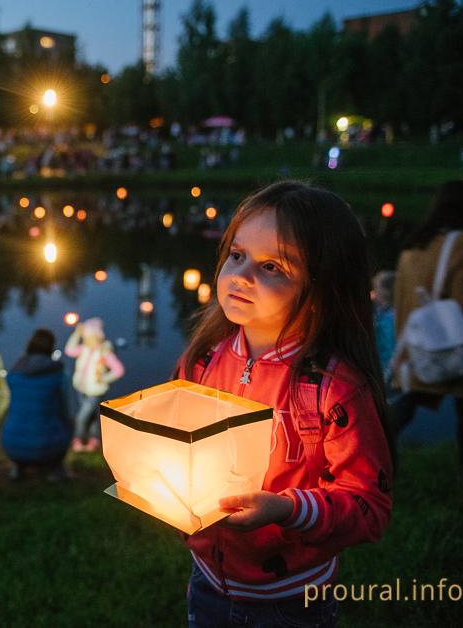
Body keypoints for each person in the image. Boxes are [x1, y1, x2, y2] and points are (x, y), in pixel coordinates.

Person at [175, 181, 393, 627]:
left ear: (321, 289)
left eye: (272, 265)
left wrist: (287, 509)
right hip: (207, 582)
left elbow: (369, 506)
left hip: (292, 598)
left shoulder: (332, 389)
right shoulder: (202, 361)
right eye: (236, 255)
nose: (240, 275)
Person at [391, 180, 463, 477]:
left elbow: (402, 301)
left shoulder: (412, 246)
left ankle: (371, 461)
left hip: (417, 342)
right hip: (451, 339)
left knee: (407, 403)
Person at [1, 328, 73, 482]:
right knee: (69, 422)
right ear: (51, 347)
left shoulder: (14, 373)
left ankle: (17, 467)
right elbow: (65, 410)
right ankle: (55, 470)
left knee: (20, 413)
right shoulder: (58, 374)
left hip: (11, 446)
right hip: (46, 448)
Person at [64, 317, 124, 452]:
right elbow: (69, 350)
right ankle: (94, 439)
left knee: (81, 416)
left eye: (88, 337)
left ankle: (77, 439)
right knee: (90, 417)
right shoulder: (83, 349)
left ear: (97, 337)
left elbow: (119, 370)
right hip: (82, 388)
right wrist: (76, 334)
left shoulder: (105, 352)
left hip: (96, 392)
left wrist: (104, 378)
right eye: (85, 337)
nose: (86, 340)